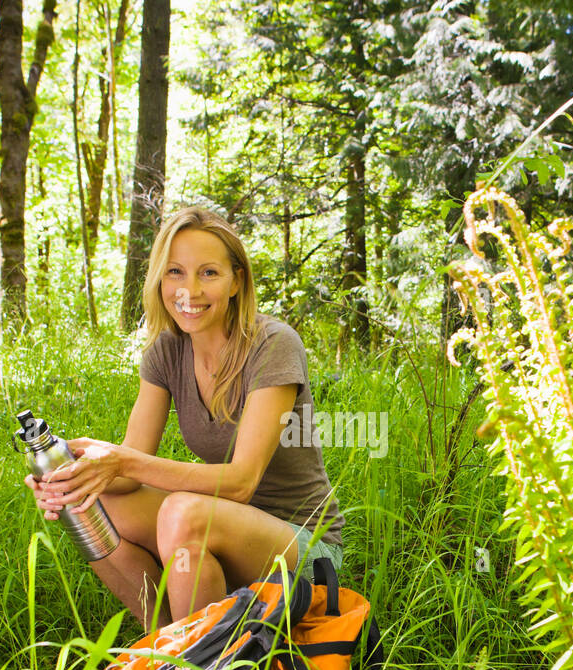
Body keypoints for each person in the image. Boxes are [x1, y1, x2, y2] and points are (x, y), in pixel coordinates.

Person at [25, 206, 344, 632]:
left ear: (236, 281)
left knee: (182, 513)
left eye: (208, 273)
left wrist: (123, 461)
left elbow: (241, 481)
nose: (188, 290)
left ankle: (196, 667)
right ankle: (172, 652)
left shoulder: (273, 345)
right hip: (211, 528)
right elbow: (126, 473)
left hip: (303, 550)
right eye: (175, 271)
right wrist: (69, 473)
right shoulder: (166, 352)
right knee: (91, 504)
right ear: (159, 278)